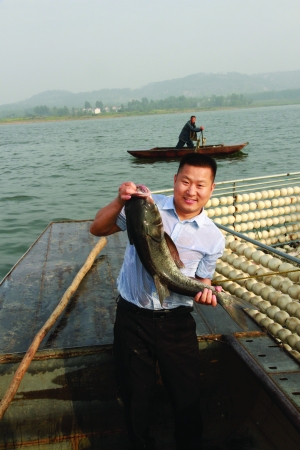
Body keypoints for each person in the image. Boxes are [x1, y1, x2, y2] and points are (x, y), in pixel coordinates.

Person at [90, 153, 225, 450]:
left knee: (187, 398)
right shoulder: (145, 207)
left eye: (200, 185)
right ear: (174, 180)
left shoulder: (213, 238)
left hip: (177, 325)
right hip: (132, 320)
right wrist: (120, 201)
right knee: (135, 400)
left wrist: (206, 294)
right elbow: (97, 228)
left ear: (212, 188)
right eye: (185, 181)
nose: (191, 191)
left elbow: (202, 283)